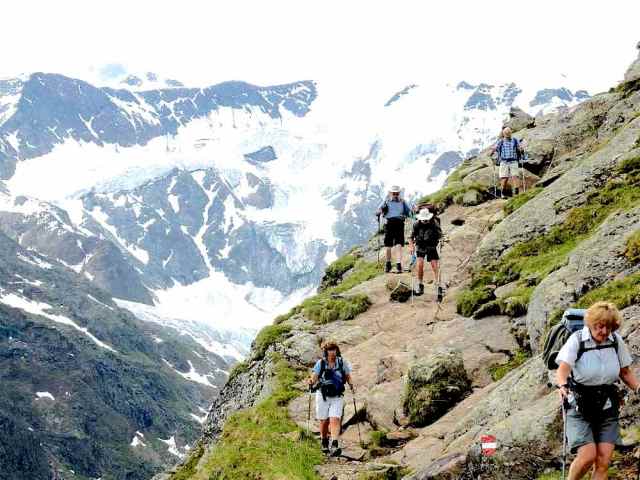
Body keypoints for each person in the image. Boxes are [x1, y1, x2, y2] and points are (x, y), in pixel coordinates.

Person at [555, 301, 640, 480]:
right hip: (579, 405)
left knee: (603, 461)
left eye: (609, 327)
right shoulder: (577, 340)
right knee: (587, 457)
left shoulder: (615, 341)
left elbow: (625, 372)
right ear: (591, 324)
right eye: (600, 326)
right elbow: (563, 370)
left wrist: (638, 388)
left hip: (607, 405)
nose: (604, 331)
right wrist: (562, 386)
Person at [308, 341, 354, 456]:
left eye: (333, 349)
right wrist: (311, 381)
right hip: (322, 395)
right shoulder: (321, 363)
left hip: (337, 395)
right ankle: (324, 441)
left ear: (336, 350)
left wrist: (351, 384)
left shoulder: (342, 362)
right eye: (329, 350)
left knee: (335, 419)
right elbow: (315, 376)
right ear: (326, 351)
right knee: (324, 420)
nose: (332, 352)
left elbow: (347, 376)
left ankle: (334, 444)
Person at [376, 185, 412, 273]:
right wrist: (379, 212)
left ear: (399, 193)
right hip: (390, 223)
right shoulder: (387, 201)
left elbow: (408, 212)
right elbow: (378, 210)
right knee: (389, 245)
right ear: (391, 193)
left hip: (398, 223)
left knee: (398, 244)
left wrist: (413, 213)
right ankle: (389, 264)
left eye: (397, 193)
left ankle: (397, 264)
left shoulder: (402, 202)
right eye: (394, 193)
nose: (395, 195)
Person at [408, 208, 442, 296]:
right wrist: (411, 246)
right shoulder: (416, 224)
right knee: (420, 265)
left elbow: (440, 234)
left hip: (431, 246)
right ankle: (420, 285)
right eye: (423, 220)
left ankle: (439, 286)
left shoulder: (434, 223)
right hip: (420, 246)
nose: (425, 221)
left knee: (435, 265)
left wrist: (441, 240)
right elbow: (411, 237)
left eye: (426, 220)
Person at [490, 126, 524, 198]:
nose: (508, 135)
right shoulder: (501, 141)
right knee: (504, 178)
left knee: (515, 176)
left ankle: (516, 193)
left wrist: (521, 149)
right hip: (504, 161)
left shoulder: (515, 140)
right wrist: (491, 154)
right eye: (506, 133)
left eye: (509, 133)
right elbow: (495, 148)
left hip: (513, 161)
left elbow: (519, 148)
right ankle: (503, 193)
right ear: (504, 134)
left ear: (510, 133)